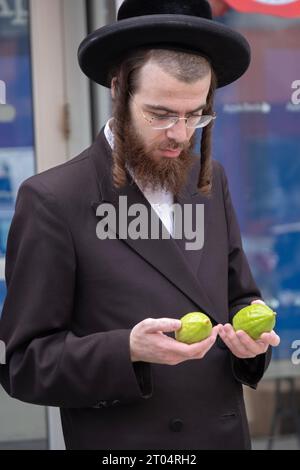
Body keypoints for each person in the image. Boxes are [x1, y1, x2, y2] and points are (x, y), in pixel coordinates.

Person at [0, 0, 280, 450]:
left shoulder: (211, 179)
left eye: (195, 115)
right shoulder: (53, 199)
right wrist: (127, 349)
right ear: (118, 90)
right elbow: (26, 366)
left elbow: (239, 298)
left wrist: (253, 346)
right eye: (160, 114)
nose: (180, 134)